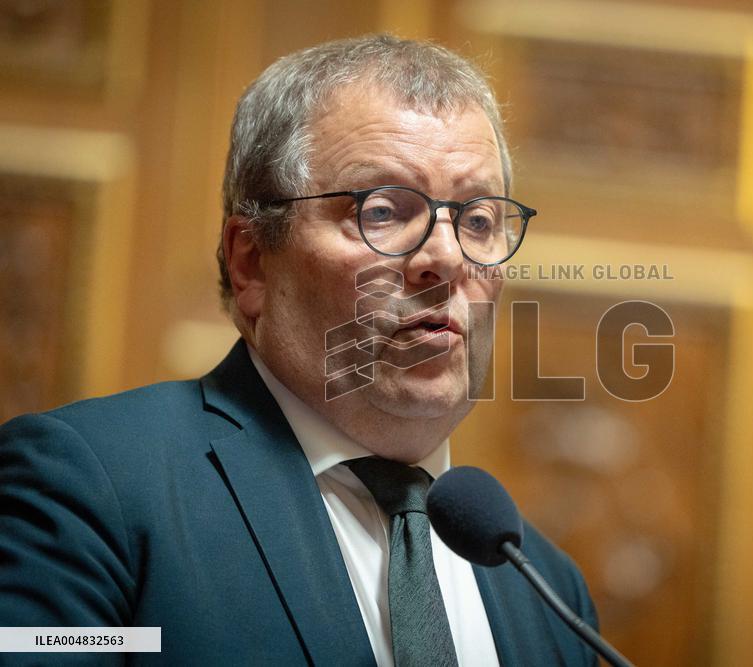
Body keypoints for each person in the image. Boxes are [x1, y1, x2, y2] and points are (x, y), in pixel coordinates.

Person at [0, 35, 597, 665]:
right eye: (384, 210)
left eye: (478, 220)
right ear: (253, 261)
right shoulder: (94, 490)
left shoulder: (549, 593)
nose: (447, 258)